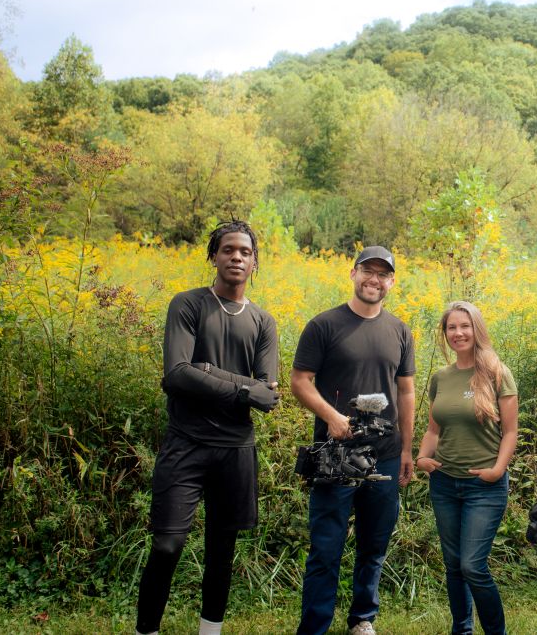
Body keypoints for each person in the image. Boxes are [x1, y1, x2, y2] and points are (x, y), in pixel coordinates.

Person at [135, 220, 281, 635]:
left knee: (222, 550)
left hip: (235, 450)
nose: (237, 257)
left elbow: (268, 395)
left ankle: (210, 631)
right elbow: (176, 375)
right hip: (186, 444)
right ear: (213, 256)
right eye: (228, 250)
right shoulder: (187, 305)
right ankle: (146, 630)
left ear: (254, 262)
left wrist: (209, 371)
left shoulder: (263, 322)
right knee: (167, 545)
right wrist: (240, 388)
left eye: (245, 252)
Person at [291, 246, 416, 635]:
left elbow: (407, 392)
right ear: (353, 273)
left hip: (386, 455)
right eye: (367, 271)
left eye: (382, 274)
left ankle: (363, 619)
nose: (373, 279)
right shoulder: (324, 325)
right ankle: (314, 626)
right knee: (326, 547)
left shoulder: (399, 330)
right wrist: (331, 416)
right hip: (335, 456)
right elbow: (300, 382)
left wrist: (408, 448)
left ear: (391, 282)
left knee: (374, 544)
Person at [416, 301, 519, 635]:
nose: (458, 333)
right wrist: (421, 458)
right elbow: (434, 430)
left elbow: (511, 431)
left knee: (472, 565)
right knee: (453, 566)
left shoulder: (496, 373)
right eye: (451, 328)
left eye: (465, 326)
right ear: (445, 334)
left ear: (477, 329)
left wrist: (498, 469)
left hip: (484, 486)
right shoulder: (440, 378)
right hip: (444, 483)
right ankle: (461, 630)